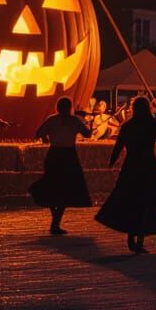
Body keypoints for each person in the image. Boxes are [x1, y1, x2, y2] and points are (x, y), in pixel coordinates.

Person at [96, 97, 156, 253]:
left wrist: (112, 161)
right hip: (148, 166)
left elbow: (118, 146)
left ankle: (132, 234)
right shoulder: (153, 125)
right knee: (147, 200)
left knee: (131, 198)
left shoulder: (128, 126)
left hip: (131, 166)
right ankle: (140, 239)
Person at [29, 97, 93, 235]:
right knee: (65, 189)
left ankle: (55, 221)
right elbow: (87, 134)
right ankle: (56, 222)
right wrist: (90, 124)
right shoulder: (75, 120)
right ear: (70, 107)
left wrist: (46, 138)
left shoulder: (52, 119)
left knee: (53, 187)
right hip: (68, 156)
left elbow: (38, 133)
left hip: (54, 154)